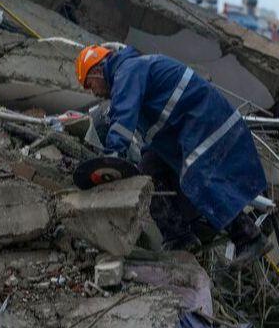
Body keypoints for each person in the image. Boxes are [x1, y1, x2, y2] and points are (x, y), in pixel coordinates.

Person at [75, 43, 268, 264]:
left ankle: (249, 237)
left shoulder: (127, 71)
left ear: (98, 70)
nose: (95, 93)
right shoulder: (132, 72)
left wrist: (112, 155)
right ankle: (179, 238)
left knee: (201, 177)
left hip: (202, 118)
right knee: (148, 171)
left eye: (90, 85)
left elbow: (122, 119)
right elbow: (153, 129)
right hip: (185, 127)